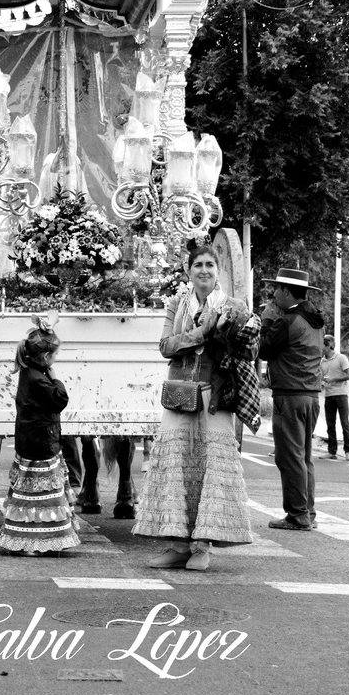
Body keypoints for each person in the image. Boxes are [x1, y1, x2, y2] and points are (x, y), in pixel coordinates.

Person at [134, 245, 259, 572]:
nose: (204, 270)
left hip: (215, 399)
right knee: (176, 468)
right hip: (179, 395)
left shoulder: (234, 307)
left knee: (209, 469)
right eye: (198, 265)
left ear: (218, 271)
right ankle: (176, 545)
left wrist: (237, 333)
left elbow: (249, 352)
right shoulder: (177, 304)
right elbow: (166, 347)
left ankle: (203, 547)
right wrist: (201, 333)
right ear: (188, 270)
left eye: (210, 265)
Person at [0, 315, 80, 556]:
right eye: (54, 355)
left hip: (32, 441)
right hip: (41, 442)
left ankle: (29, 538)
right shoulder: (40, 379)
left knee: (31, 493)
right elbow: (60, 400)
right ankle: (36, 540)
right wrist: (56, 377)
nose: (55, 360)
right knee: (40, 495)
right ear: (45, 357)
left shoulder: (29, 373)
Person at [259, 268, 324, 531]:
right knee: (304, 456)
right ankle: (308, 512)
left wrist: (265, 322)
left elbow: (263, 349)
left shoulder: (287, 321)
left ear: (286, 291)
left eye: (276, 289)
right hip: (311, 396)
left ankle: (297, 516)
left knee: (289, 457)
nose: (273, 295)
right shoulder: (315, 320)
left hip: (290, 396)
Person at [320, 334, 349, 461]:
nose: (320, 348)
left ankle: (348, 451)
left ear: (328, 345)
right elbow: (323, 378)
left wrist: (334, 379)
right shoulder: (322, 361)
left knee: (344, 423)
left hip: (341, 394)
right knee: (330, 425)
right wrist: (322, 383)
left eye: (322, 345)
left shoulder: (341, 358)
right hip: (329, 395)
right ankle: (332, 451)